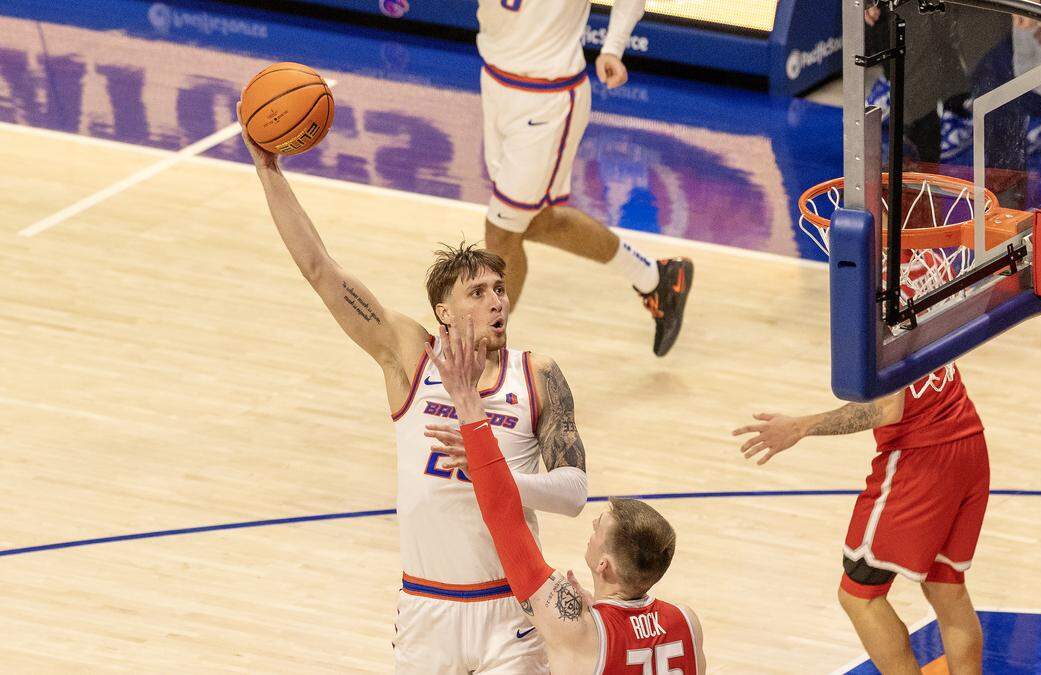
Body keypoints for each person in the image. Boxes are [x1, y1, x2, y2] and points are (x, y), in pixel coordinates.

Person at [240, 118, 589, 673]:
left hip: (515, 610)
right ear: (444, 312)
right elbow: (320, 270)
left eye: (500, 289)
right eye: (478, 292)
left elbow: (573, 495)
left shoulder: (538, 373)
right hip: (428, 608)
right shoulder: (409, 357)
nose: (498, 301)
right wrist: (269, 171)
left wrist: (493, 474)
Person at [425, 319, 706, 674]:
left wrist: (467, 403)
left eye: (597, 530)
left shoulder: (575, 628)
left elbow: (503, 517)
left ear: (604, 565)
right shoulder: (686, 623)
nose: (591, 527)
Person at [734, 364, 989, 674]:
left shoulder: (877, 316)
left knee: (859, 596)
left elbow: (887, 407)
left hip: (921, 460)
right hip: (969, 440)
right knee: (946, 588)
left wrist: (800, 427)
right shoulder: (922, 311)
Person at [476, 0, 694, 356]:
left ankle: (485, 358)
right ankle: (655, 278)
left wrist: (613, 46)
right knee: (535, 221)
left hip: (547, 100)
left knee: (501, 232)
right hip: (496, 83)